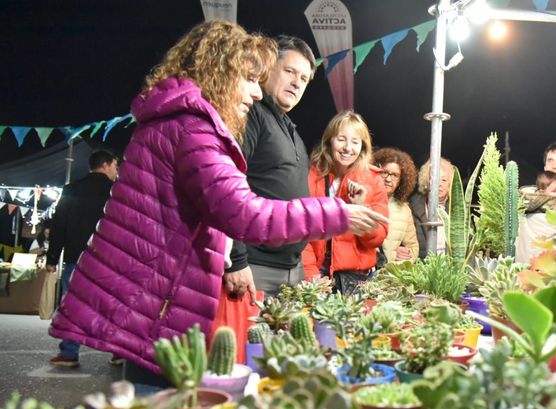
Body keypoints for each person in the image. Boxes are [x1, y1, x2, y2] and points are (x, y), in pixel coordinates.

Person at [48, 21, 386, 379]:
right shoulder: (193, 127)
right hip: (161, 292)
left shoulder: (177, 118)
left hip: (160, 289)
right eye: (251, 79)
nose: (256, 94)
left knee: (165, 400)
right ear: (221, 71)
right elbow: (241, 212)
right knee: (167, 402)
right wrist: (334, 213)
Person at [224, 35, 319, 299]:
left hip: (291, 269)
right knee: (250, 341)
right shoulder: (252, 115)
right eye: (289, 71)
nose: (296, 83)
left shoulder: (293, 132)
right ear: (269, 68)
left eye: (303, 79)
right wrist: (236, 259)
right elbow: (226, 185)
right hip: (254, 269)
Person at [46, 149, 119, 368]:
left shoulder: (71, 189)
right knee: (112, 306)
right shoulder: (116, 192)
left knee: (73, 306)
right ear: (105, 165)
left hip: (75, 258)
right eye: (115, 165)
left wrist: (52, 258)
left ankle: (69, 353)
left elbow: (59, 226)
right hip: (108, 260)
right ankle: (118, 352)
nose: (117, 171)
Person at [302, 111, 389, 293]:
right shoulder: (311, 175)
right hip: (317, 276)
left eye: (355, 142)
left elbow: (378, 238)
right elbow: (302, 229)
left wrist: (361, 209)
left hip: (357, 280)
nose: (348, 148)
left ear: (362, 147)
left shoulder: (373, 179)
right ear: (330, 141)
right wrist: (311, 274)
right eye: (341, 139)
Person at [372, 147, 419, 263]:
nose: (388, 179)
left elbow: (413, 248)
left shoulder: (404, 210)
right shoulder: (363, 200)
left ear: (401, 181)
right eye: (384, 173)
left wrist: (404, 257)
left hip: (389, 276)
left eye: (395, 175)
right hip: (363, 275)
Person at [408, 157, 454, 259]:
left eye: (444, 180)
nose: (440, 184)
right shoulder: (411, 208)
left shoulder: (458, 212)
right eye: (435, 179)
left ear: (450, 184)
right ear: (426, 182)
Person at [515, 171, 556, 264]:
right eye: (554, 190)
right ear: (541, 192)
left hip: (524, 262)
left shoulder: (524, 207)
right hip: (540, 262)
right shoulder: (552, 212)